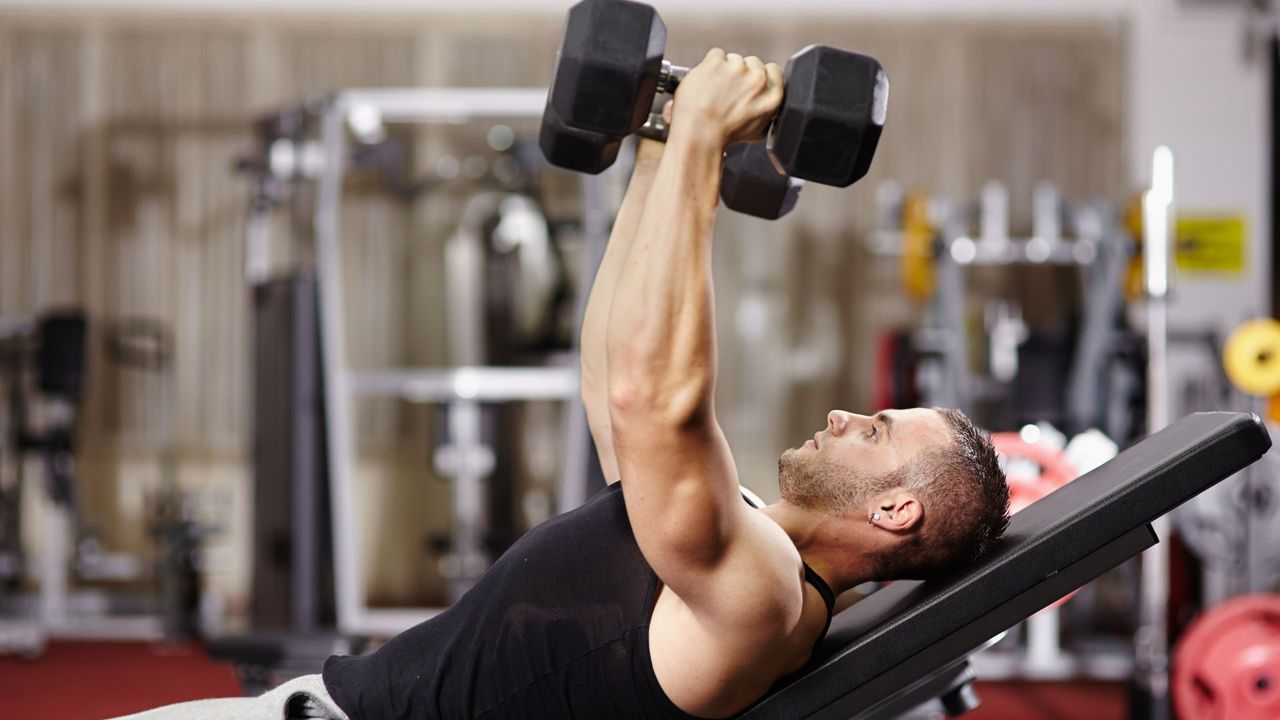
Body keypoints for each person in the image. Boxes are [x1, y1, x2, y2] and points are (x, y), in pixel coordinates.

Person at [115, 48, 1008, 720]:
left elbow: (653, 400)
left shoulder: (760, 595)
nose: (847, 413)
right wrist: (663, 153)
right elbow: (611, 372)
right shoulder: (732, 539)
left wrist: (702, 139)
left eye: (880, 431)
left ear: (896, 512)